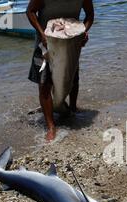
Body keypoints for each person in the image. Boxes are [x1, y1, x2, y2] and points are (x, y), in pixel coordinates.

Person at [27, 0, 94, 141]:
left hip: (71, 41)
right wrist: (42, 34)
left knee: (72, 77)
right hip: (44, 41)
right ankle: (51, 126)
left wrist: (84, 31)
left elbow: (90, 15)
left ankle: (73, 110)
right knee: (44, 82)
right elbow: (30, 11)